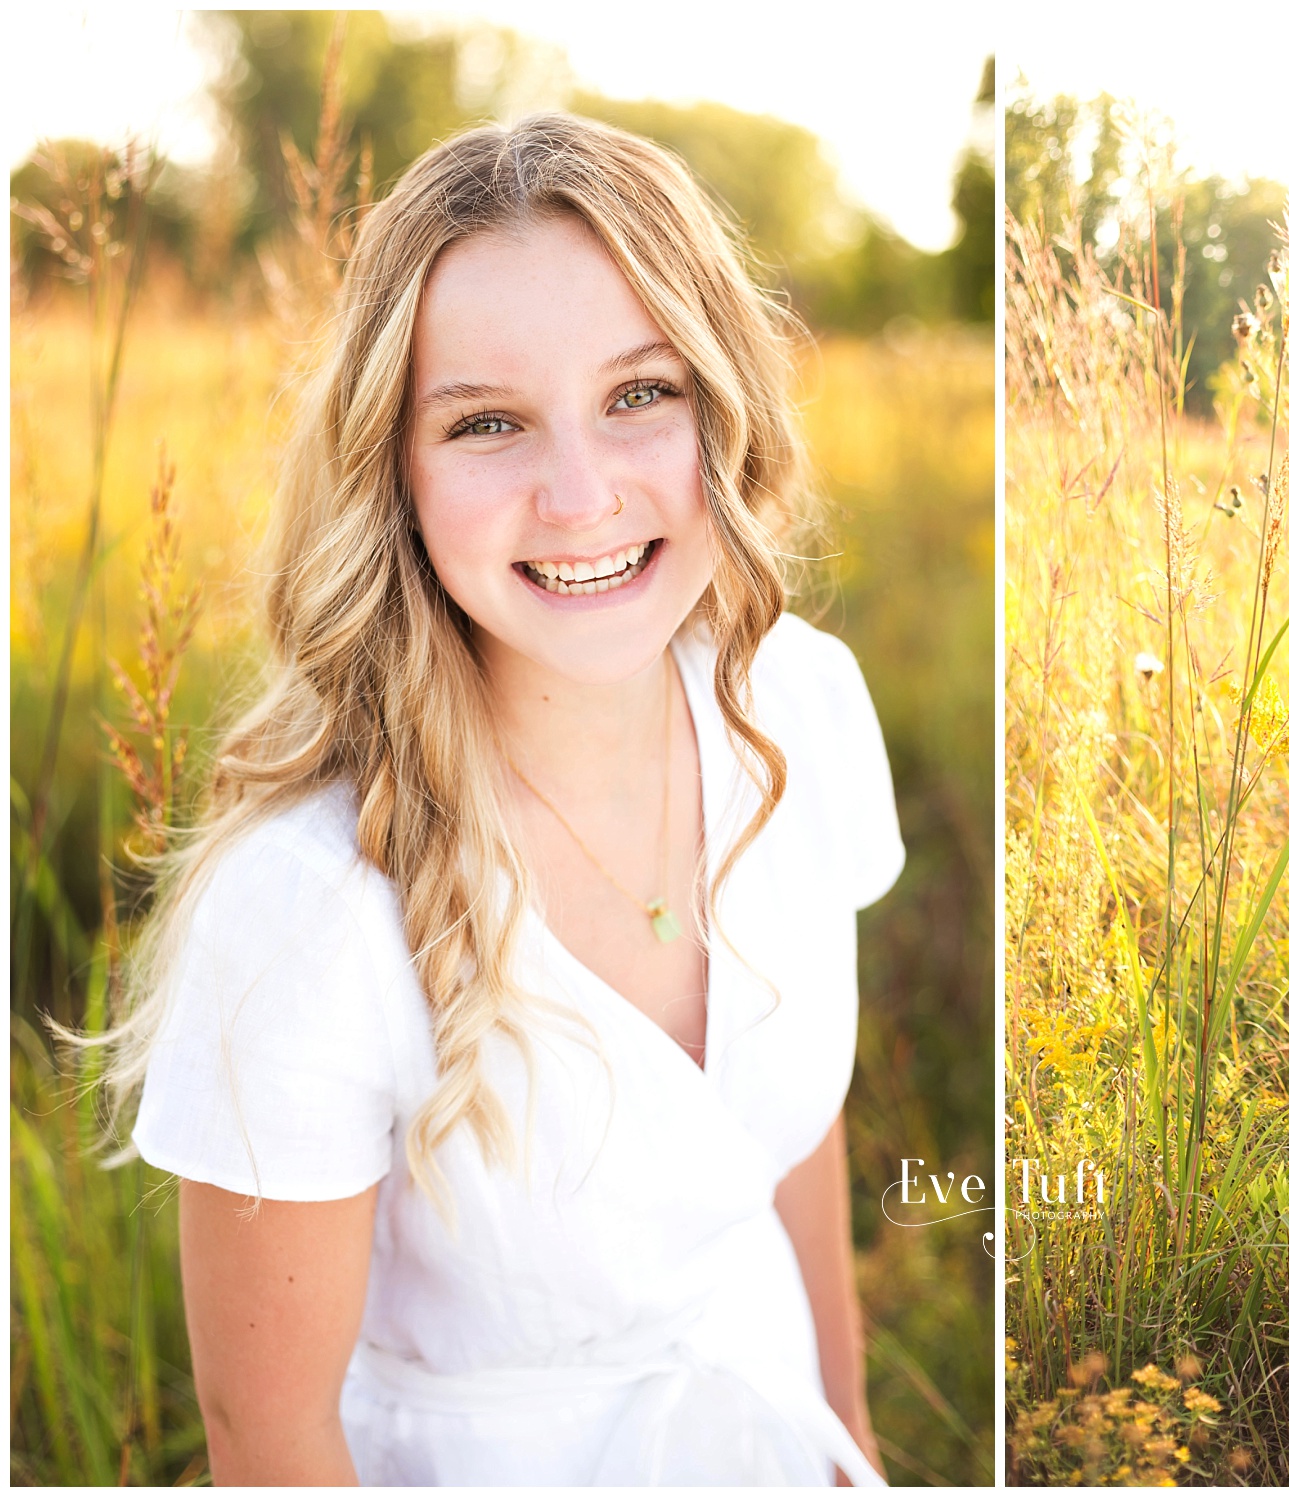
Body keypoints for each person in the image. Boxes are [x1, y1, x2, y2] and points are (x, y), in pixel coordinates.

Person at [100, 114, 903, 1485]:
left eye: (640, 394)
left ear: (723, 407)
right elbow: (268, 1440)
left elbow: (773, 1142)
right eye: (486, 422)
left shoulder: (800, 705)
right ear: (393, 475)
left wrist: (850, 1437)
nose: (581, 495)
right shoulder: (303, 908)